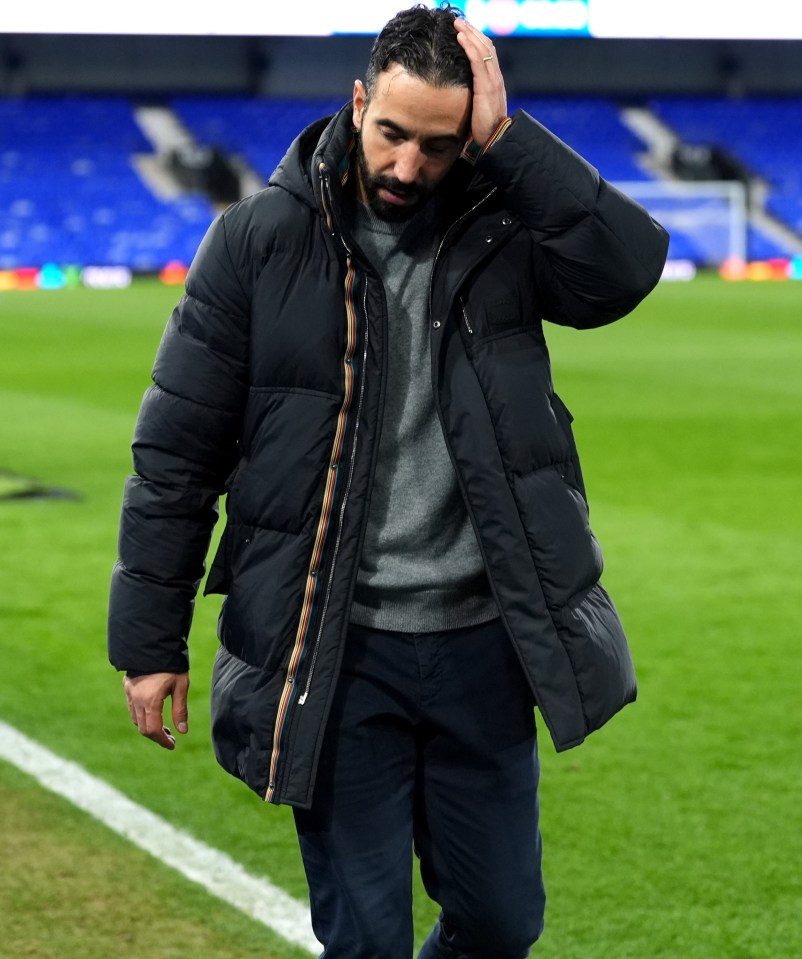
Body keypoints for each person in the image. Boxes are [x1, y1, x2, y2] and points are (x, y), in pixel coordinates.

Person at [108, 5, 669, 957]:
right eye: (393, 134)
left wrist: (510, 143)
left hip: (485, 647)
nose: (409, 167)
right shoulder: (255, 242)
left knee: (500, 923)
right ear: (359, 100)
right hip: (335, 648)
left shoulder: (505, 230)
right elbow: (176, 450)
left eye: (441, 146)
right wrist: (149, 640)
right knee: (366, 940)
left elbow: (624, 269)